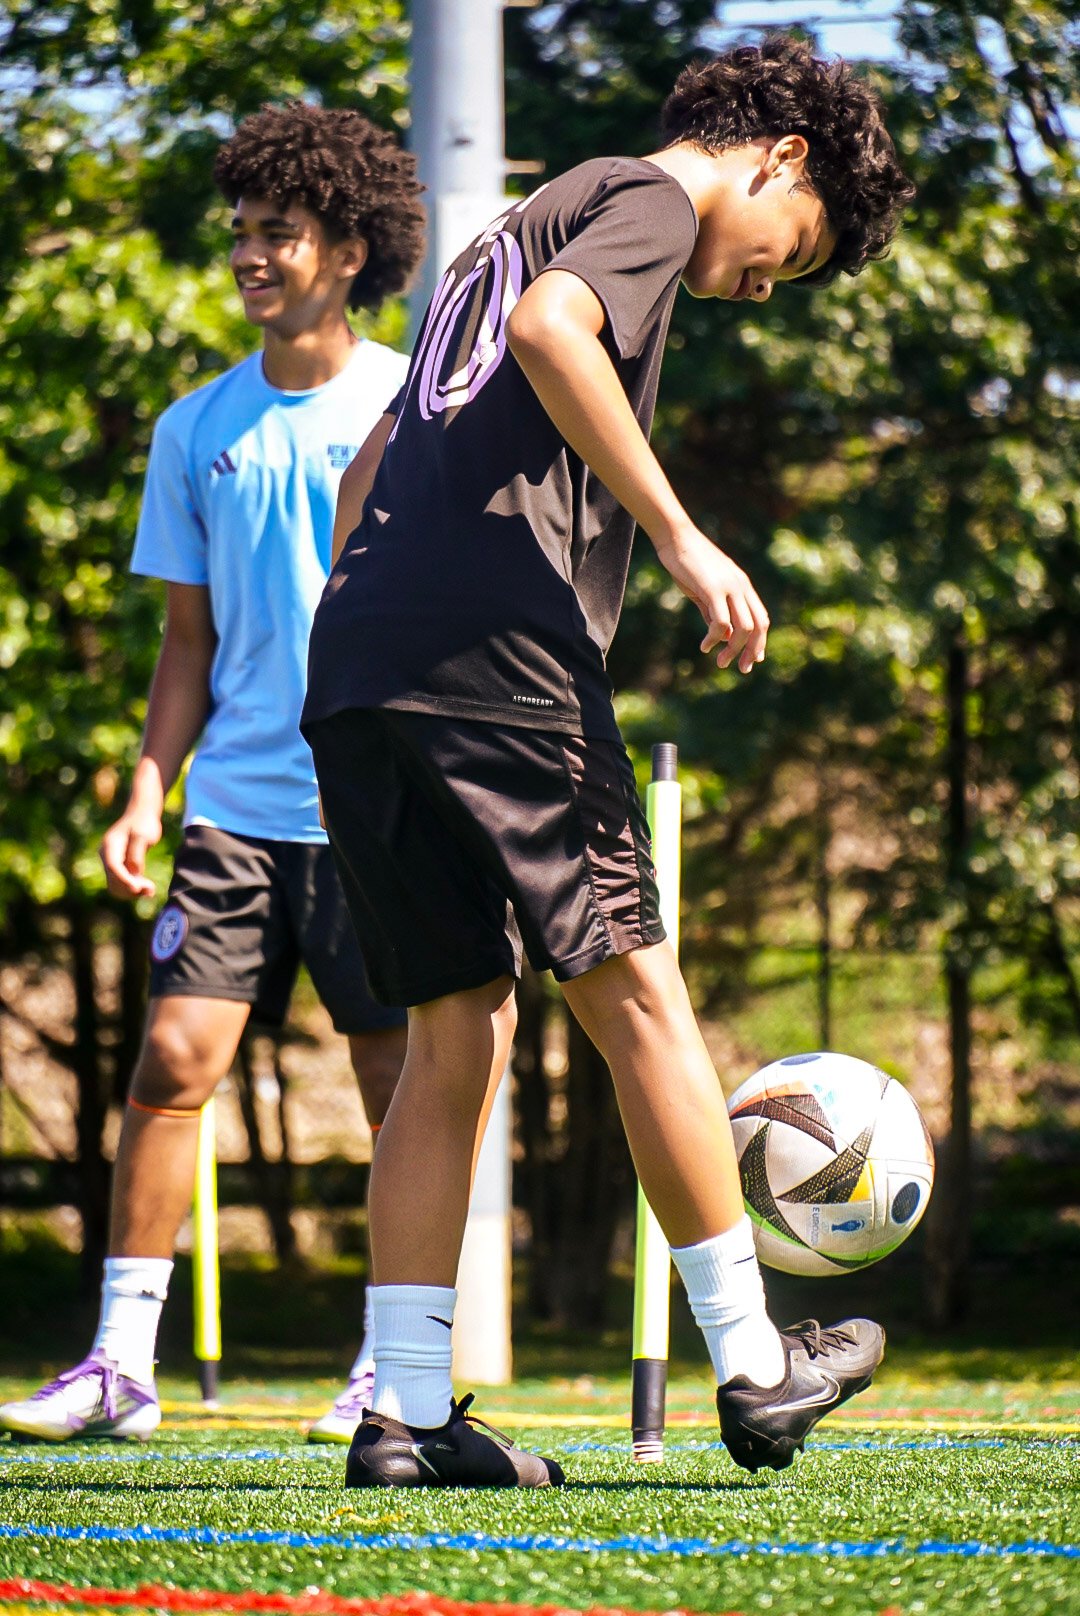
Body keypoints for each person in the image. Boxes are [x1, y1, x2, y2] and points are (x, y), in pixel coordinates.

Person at [301, 36, 916, 1488]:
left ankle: (402, 1415)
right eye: (792, 253)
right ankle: (760, 1369)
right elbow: (557, 339)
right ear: (783, 160)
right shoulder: (639, 193)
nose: (768, 283)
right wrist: (686, 540)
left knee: (457, 1038)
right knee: (639, 992)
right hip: (500, 671)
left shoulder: (494, 240)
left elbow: (363, 477)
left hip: (364, 664)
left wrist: (388, 631)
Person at [0, 101, 426, 1445]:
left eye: (278, 234)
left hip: (375, 803)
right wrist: (145, 785)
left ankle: (389, 1366)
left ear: (349, 249)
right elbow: (188, 639)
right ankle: (122, 1367)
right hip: (235, 808)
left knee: (392, 1082)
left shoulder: (413, 402)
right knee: (174, 1063)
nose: (252, 255)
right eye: (241, 233)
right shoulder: (195, 427)